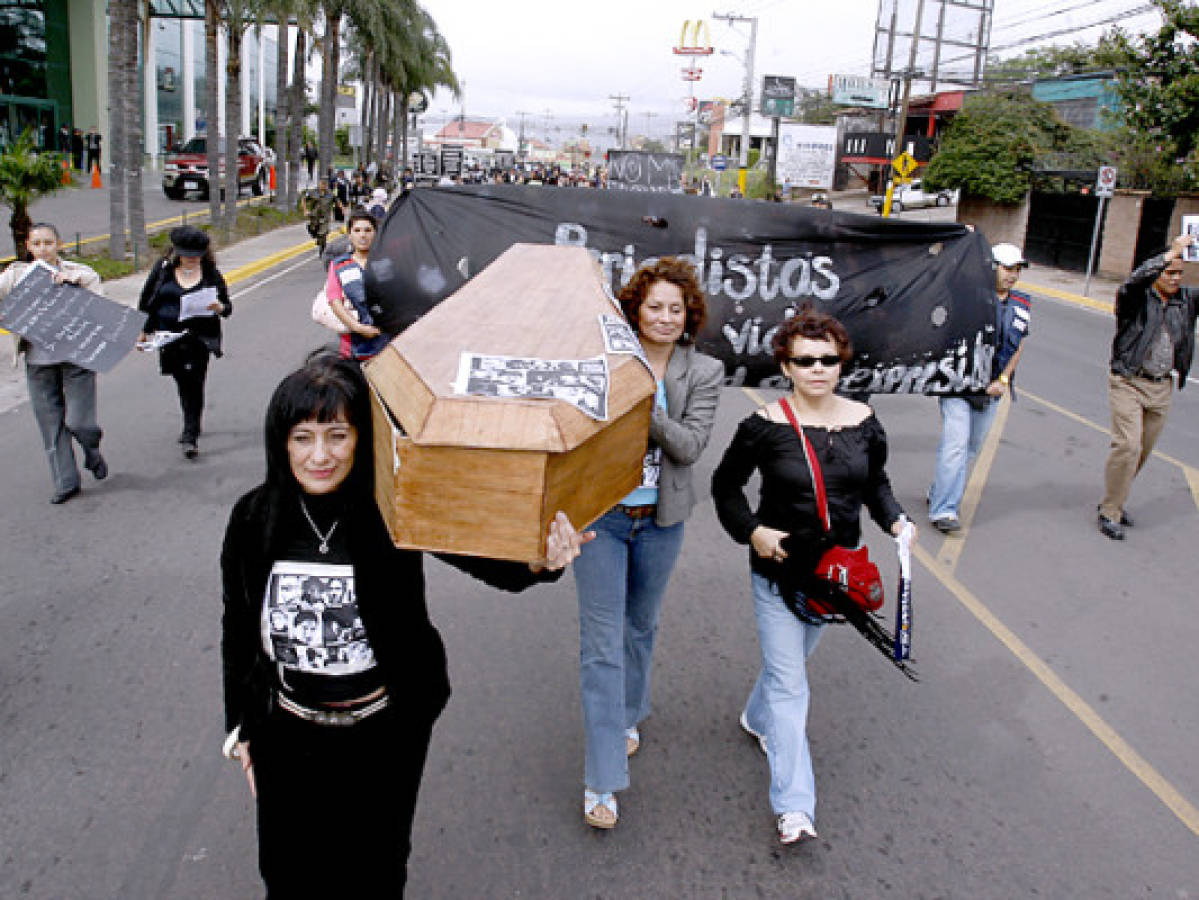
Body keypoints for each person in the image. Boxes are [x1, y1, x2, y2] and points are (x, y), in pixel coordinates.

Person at [220, 351, 587, 896]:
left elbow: (489, 560)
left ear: (361, 439)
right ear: (281, 442)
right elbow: (237, 626)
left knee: (377, 868)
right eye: (302, 438)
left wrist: (540, 560)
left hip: (384, 731)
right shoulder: (254, 517)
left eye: (336, 436)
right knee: (287, 873)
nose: (320, 455)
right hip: (287, 730)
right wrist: (242, 728)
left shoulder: (394, 505)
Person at [711, 308, 911, 846]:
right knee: (792, 685)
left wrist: (895, 519)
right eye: (806, 360)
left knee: (790, 666)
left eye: (828, 360)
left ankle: (756, 717)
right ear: (786, 364)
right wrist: (752, 532)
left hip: (835, 577)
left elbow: (876, 486)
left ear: (840, 363)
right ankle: (795, 807)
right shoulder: (763, 426)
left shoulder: (865, 422)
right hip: (779, 571)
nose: (818, 369)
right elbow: (725, 487)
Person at [571, 257, 723, 830]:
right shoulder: (605, 361)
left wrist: (644, 402)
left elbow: (689, 446)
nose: (663, 317)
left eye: (675, 309)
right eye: (653, 306)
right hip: (602, 519)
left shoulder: (703, 372)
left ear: (689, 317)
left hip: (661, 520)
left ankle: (630, 713)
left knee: (641, 628)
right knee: (601, 644)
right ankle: (602, 780)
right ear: (635, 308)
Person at [1098, 233, 1198, 539]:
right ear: (1157, 271)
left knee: (1142, 452)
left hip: (1162, 387)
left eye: (1180, 273)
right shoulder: (1135, 299)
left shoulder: (1186, 300)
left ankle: (1115, 498)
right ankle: (1109, 511)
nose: (1175, 279)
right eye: (1170, 272)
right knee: (1127, 446)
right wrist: (1171, 253)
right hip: (1128, 380)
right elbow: (1133, 281)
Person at [927, 242, 1030, 533]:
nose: (1012, 275)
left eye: (1017, 269)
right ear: (991, 267)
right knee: (955, 447)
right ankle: (944, 510)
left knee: (971, 447)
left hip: (992, 390)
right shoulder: (968, 297)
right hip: (959, 386)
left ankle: (940, 490)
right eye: (1007, 268)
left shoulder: (1021, 305)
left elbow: (1019, 344)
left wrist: (1004, 380)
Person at [0, 222, 107, 503]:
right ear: (28, 247)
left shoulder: (80, 273)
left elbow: (101, 310)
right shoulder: (14, 276)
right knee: (50, 425)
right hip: (38, 361)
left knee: (79, 422)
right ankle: (66, 482)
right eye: (37, 244)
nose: (43, 249)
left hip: (76, 360)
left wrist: (74, 286)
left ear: (58, 244)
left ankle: (92, 451)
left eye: (48, 243)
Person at [137, 226, 232, 460]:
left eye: (196, 257)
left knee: (195, 381)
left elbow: (227, 307)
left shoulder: (210, 273)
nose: (191, 261)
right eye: (187, 256)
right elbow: (148, 300)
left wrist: (219, 307)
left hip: (199, 337)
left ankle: (190, 435)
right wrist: (143, 331)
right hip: (169, 337)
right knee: (182, 382)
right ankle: (192, 420)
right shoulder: (163, 270)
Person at [326, 209, 389, 362]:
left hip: (390, 341)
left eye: (368, 230)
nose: (363, 235)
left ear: (376, 233)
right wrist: (358, 327)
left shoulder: (387, 261)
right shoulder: (339, 265)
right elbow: (335, 302)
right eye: (357, 230)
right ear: (350, 235)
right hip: (356, 347)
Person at [301, 178, 341, 256]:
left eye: (325, 184)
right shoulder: (313, 192)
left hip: (325, 217)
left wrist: (342, 209)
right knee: (314, 231)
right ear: (319, 184)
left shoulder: (330, 193)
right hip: (314, 217)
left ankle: (322, 250)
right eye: (322, 184)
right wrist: (305, 210)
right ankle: (314, 232)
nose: (323, 185)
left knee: (322, 233)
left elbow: (337, 201)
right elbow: (304, 199)